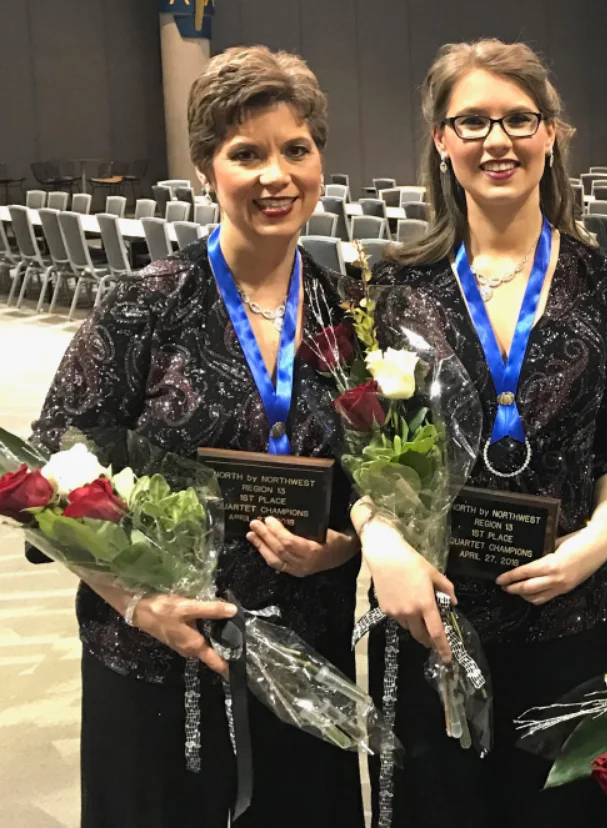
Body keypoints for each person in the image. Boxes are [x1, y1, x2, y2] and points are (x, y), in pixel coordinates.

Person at [29, 46, 363, 827]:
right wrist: (139, 602)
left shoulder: (350, 316)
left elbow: (372, 485)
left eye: (295, 149)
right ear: (208, 167)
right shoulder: (145, 306)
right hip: (157, 663)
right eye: (246, 153)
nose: (275, 175)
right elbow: (43, 478)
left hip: (299, 662)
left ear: (320, 161)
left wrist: (343, 544)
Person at [351, 39, 607, 828]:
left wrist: (604, 535)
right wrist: (380, 540)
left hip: (570, 607)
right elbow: (362, 448)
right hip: (431, 609)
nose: (498, 140)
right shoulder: (393, 286)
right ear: (442, 142)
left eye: (519, 119)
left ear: (551, 135)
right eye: (473, 121)